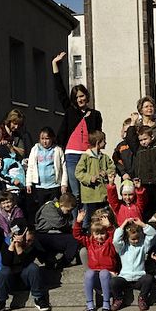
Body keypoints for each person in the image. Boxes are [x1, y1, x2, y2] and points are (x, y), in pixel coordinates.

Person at [52, 52, 104, 213]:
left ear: (86, 96)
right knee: (75, 193)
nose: (80, 99)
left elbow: (98, 137)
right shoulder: (70, 111)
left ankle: (88, 224)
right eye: (77, 97)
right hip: (72, 155)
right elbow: (60, 90)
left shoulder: (95, 114)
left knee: (89, 192)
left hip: (88, 156)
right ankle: (77, 223)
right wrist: (55, 65)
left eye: (82, 96)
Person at [0, 220, 51, 311]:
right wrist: (12, 246)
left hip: (25, 279)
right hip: (10, 280)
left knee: (33, 267)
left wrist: (19, 249)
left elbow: (26, 263)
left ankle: (39, 298)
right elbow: (6, 262)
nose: (27, 243)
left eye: (30, 241)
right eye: (26, 240)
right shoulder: (7, 243)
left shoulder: (33, 246)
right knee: (4, 271)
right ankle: (1, 302)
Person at [73, 209, 117, 311]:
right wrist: (78, 222)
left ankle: (106, 302)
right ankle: (89, 302)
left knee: (104, 273)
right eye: (97, 234)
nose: (100, 237)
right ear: (92, 234)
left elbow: (115, 236)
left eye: (102, 233)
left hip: (108, 274)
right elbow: (77, 236)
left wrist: (109, 226)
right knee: (89, 273)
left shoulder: (109, 242)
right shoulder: (90, 242)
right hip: (95, 273)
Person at [111, 218, 156, 311]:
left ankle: (142, 298)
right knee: (113, 282)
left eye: (137, 238)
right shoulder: (122, 248)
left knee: (148, 278)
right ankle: (118, 299)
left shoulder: (143, 246)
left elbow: (153, 234)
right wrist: (123, 224)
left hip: (139, 278)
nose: (136, 241)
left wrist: (142, 224)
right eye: (133, 239)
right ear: (127, 238)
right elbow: (115, 240)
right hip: (125, 278)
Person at [26, 126, 67, 222]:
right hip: (40, 186)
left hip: (54, 185)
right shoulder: (35, 149)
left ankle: (54, 223)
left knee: (55, 206)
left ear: (52, 138)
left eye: (47, 139)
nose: (45, 141)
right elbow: (31, 167)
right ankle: (41, 224)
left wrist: (64, 184)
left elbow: (63, 168)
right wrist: (28, 183)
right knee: (41, 207)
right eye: (42, 139)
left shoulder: (57, 150)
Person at [75, 130, 116, 228]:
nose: (105, 143)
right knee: (89, 219)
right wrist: (90, 178)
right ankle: (88, 236)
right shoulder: (86, 157)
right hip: (90, 197)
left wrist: (106, 173)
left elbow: (112, 167)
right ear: (98, 143)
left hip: (102, 195)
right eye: (104, 141)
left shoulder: (104, 157)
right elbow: (78, 172)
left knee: (103, 217)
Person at [34, 194, 79, 269]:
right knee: (73, 240)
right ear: (61, 204)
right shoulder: (49, 207)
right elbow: (59, 223)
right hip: (43, 234)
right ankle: (57, 262)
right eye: (68, 210)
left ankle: (63, 261)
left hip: (56, 234)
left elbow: (68, 224)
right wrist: (67, 224)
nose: (69, 212)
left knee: (74, 239)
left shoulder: (63, 211)